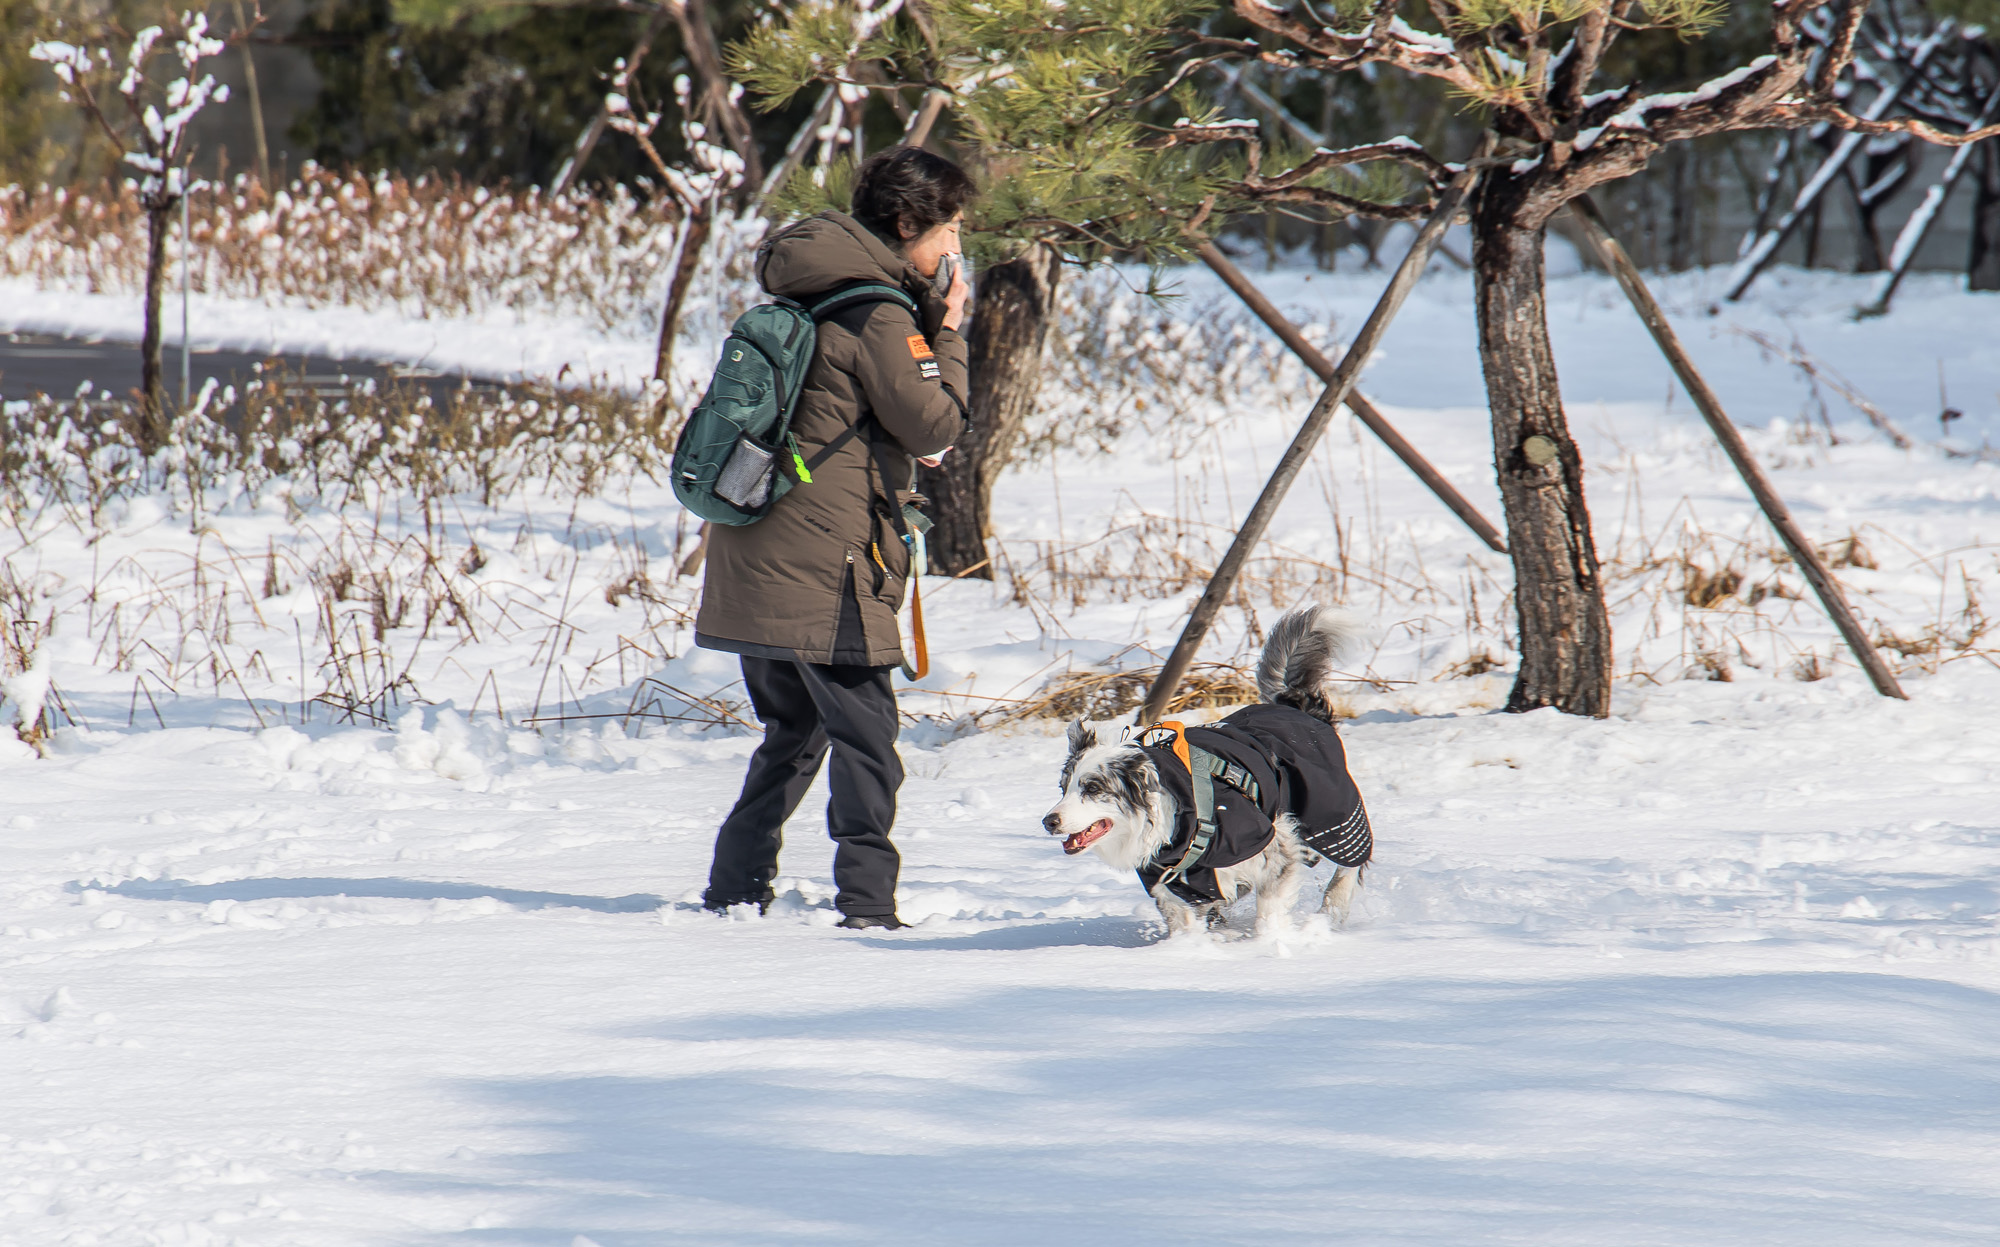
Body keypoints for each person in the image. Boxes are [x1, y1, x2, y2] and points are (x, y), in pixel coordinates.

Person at [693, 146, 975, 930]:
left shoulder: (813, 290)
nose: (957, 245)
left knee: (794, 730)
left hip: (755, 552)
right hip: (829, 565)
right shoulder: (878, 312)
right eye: (951, 227)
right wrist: (950, 332)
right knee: (867, 739)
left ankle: (736, 887)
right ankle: (868, 905)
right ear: (907, 223)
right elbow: (935, 424)